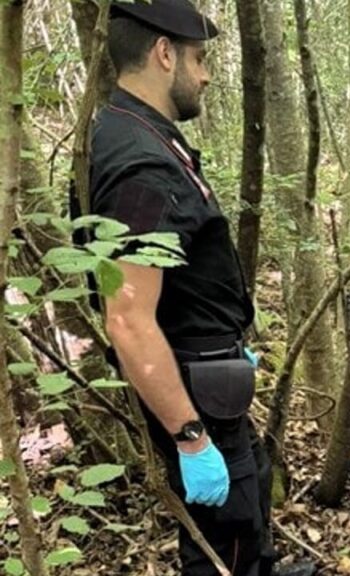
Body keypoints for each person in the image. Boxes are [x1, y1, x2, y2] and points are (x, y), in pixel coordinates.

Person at [78, 2, 313, 574]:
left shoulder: (139, 133)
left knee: (250, 496)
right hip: (193, 390)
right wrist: (189, 437)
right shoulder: (140, 165)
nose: (206, 74)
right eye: (199, 58)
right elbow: (128, 317)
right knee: (223, 539)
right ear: (164, 53)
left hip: (210, 376)